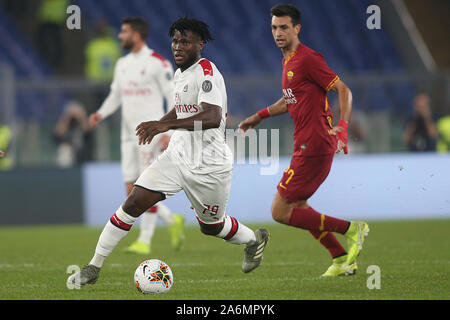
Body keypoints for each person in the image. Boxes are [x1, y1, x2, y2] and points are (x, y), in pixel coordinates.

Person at [68, 16, 270, 287]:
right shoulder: (180, 73)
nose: (177, 46)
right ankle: (93, 267)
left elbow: (211, 116)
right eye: (175, 41)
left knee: (211, 226)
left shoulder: (207, 72)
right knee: (132, 202)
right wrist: (163, 124)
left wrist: (165, 125)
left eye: (185, 42)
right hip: (177, 156)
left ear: (200, 44)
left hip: (208, 165)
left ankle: (254, 240)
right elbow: (182, 107)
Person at [238, 4, 369, 277]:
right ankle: (341, 258)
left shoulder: (308, 59)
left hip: (316, 145)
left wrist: (343, 126)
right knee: (298, 207)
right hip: (306, 144)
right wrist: (259, 115)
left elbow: (344, 90)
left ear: (297, 28)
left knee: (279, 211)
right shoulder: (288, 61)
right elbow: (289, 100)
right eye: (274, 27)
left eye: (284, 27)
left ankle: (352, 229)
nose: (278, 32)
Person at [88, 17, 184, 255]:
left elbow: (173, 98)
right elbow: (115, 95)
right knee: (131, 191)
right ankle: (172, 221)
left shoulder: (158, 63)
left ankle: (145, 240)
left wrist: (167, 130)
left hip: (149, 133)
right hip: (126, 135)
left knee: (145, 185)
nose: (120, 36)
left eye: (124, 32)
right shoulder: (121, 64)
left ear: (137, 35)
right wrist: (100, 114)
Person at [53, 101, 93, 167]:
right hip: (68, 159)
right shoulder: (66, 125)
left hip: (84, 157)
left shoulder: (82, 124)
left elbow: (88, 131)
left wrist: (80, 115)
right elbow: (57, 135)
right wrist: (67, 116)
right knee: (65, 149)